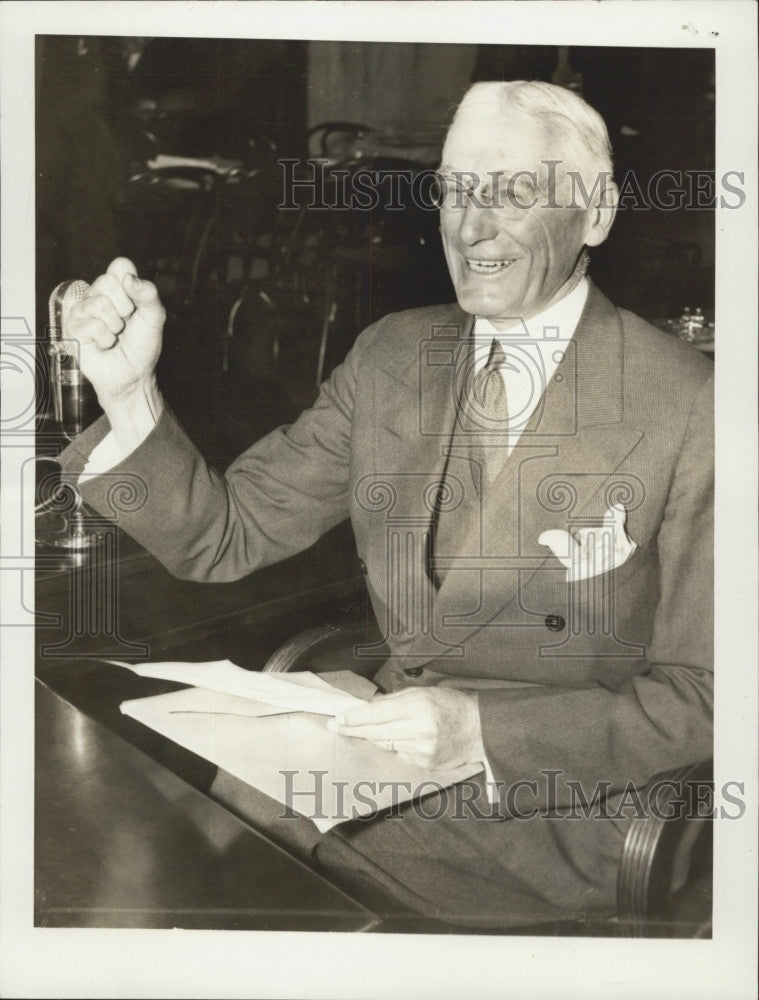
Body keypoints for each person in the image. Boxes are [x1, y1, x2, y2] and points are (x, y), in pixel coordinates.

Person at [59, 81, 713, 929]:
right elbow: (224, 536)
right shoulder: (394, 356)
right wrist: (131, 392)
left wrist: (482, 734)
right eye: (451, 189)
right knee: (145, 862)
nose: (469, 227)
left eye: (511, 191)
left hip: (549, 817)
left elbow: (710, 694)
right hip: (360, 770)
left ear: (595, 213)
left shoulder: (693, 404)